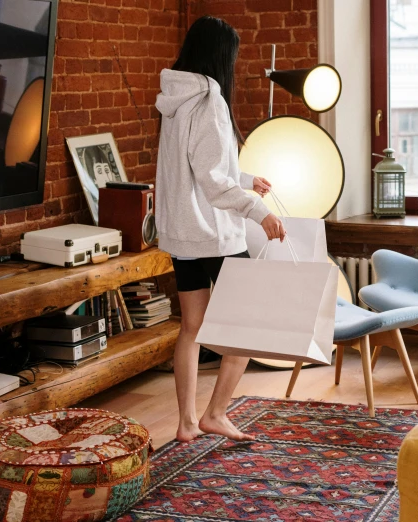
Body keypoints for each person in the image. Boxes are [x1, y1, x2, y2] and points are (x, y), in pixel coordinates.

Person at [154, 16, 287, 442]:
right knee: (248, 325)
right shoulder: (210, 97)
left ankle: (186, 422)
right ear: (220, 55)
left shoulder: (174, 97)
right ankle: (215, 413)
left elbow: (196, 167)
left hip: (182, 231)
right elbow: (212, 179)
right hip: (214, 232)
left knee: (192, 327)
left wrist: (246, 180)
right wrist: (256, 209)